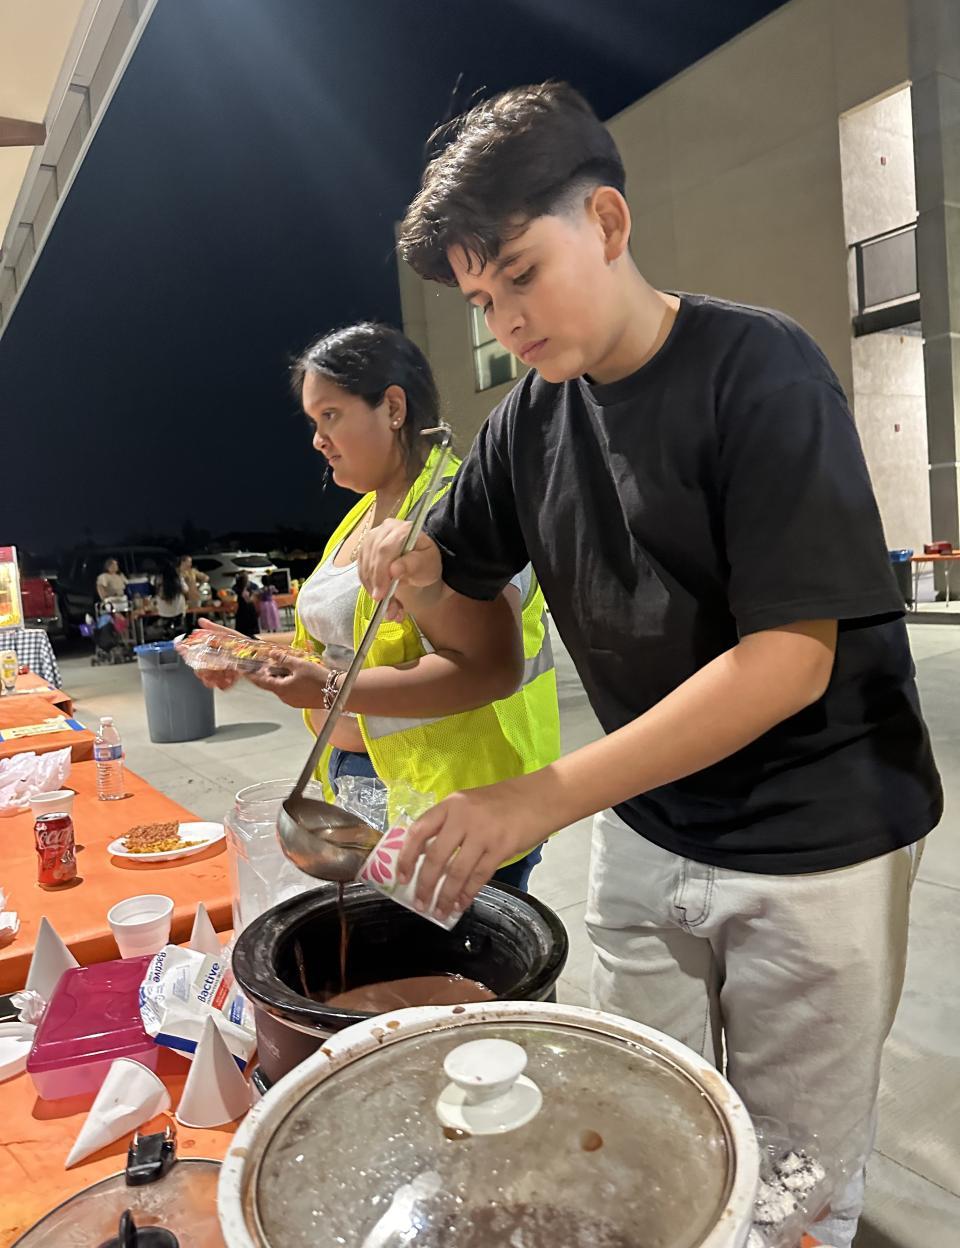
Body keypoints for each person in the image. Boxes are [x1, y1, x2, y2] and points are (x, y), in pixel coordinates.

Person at [359, 82, 942, 1246]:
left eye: (521, 274)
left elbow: (787, 660)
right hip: (647, 819)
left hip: (817, 833)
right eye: (481, 301)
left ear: (609, 221)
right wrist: (419, 575)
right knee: (638, 1134)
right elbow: (481, 654)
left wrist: (538, 795)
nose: (506, 321)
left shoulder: (759, 369)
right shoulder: (527, 422)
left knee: (790, 1181)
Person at [194, 322, 560, 891]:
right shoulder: (361, 516)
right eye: (314, 423)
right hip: (366, 791)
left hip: (455, 806)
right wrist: (251, 653)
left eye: (331, 415)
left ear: (392, 407)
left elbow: (486, 669)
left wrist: (328, 690)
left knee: (450, 951)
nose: (318, 440)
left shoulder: (457, 509)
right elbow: (343, 647)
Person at [153, 560, 186, 635]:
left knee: (166, 631)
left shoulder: (158, 580)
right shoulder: (178, 579)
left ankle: (166, 633)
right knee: (179, 632)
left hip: (163, 612)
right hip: (178, 612)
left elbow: (156, 593)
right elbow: (186, 589)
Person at [232, 571, 260, 638]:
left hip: (249, 607)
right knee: (242, 625)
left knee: (251, 623)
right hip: (242, 608)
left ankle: (252, 635)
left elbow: (256, 595)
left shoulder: (252, 586)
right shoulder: (237, 587)